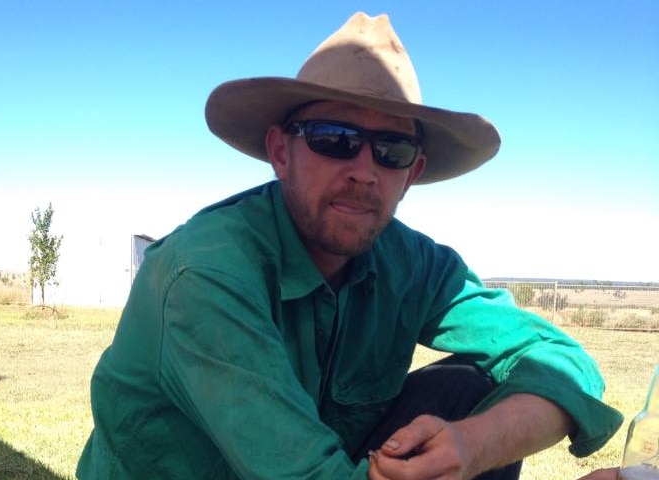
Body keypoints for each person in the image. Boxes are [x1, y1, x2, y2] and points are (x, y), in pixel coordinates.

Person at [76, 12, 623, 480]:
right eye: (334, 139)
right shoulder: (208, 273)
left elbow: (566, 365)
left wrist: (471, 446)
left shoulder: (415, 265)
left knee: (467, 388)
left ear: (413, 173)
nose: (364, 171)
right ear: (280, 151)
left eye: (392, 149)